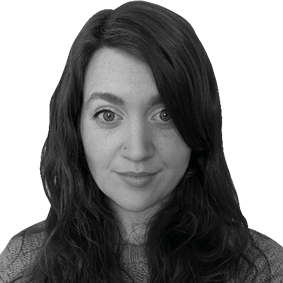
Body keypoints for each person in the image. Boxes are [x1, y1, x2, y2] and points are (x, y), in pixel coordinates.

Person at [0, 1, 282, 282]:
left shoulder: (262, 270)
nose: (137, 151)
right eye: (108, 114)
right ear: (74, 125)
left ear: (199, 121)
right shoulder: (22, 266)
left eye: (165, 114)